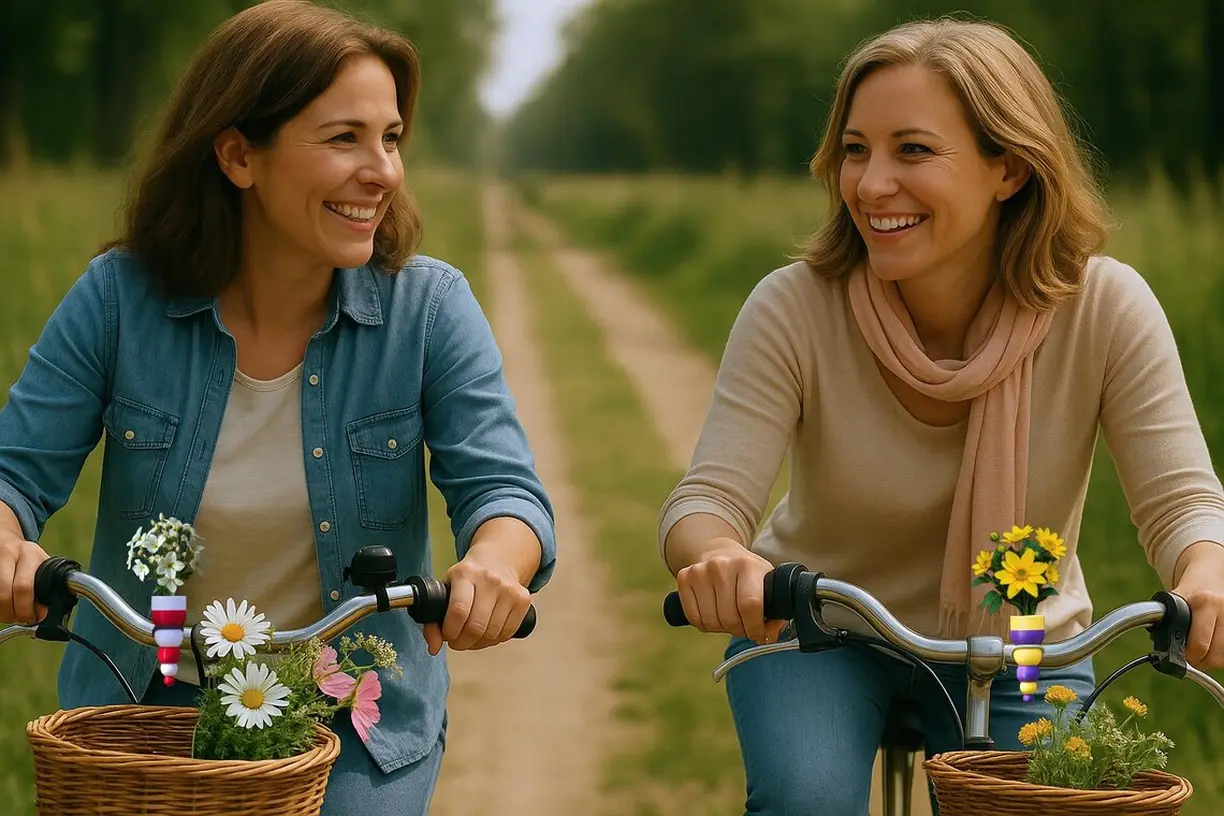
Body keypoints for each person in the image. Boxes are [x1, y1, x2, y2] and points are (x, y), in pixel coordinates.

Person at [658, 16, 1224, 816]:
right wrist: (722, 558)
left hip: (1028, 641)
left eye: (912, 150)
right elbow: (705, 501)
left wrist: (1207, 571)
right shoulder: (794, 306)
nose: (870, 183)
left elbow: (1185, 503)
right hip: (819, 631)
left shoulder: (1105, 307)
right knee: (805, 799)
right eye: (855, 149)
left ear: (1011, 168)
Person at [0, 1, 556, 812]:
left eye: (391, 138)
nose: (384, 172)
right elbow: (14, 472)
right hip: (139, 706)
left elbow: (507, 494)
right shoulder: (119, 300)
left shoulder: (428, 310)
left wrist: (494, 567)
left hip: (350, 716)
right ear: (238, 157)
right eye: (344, 139)